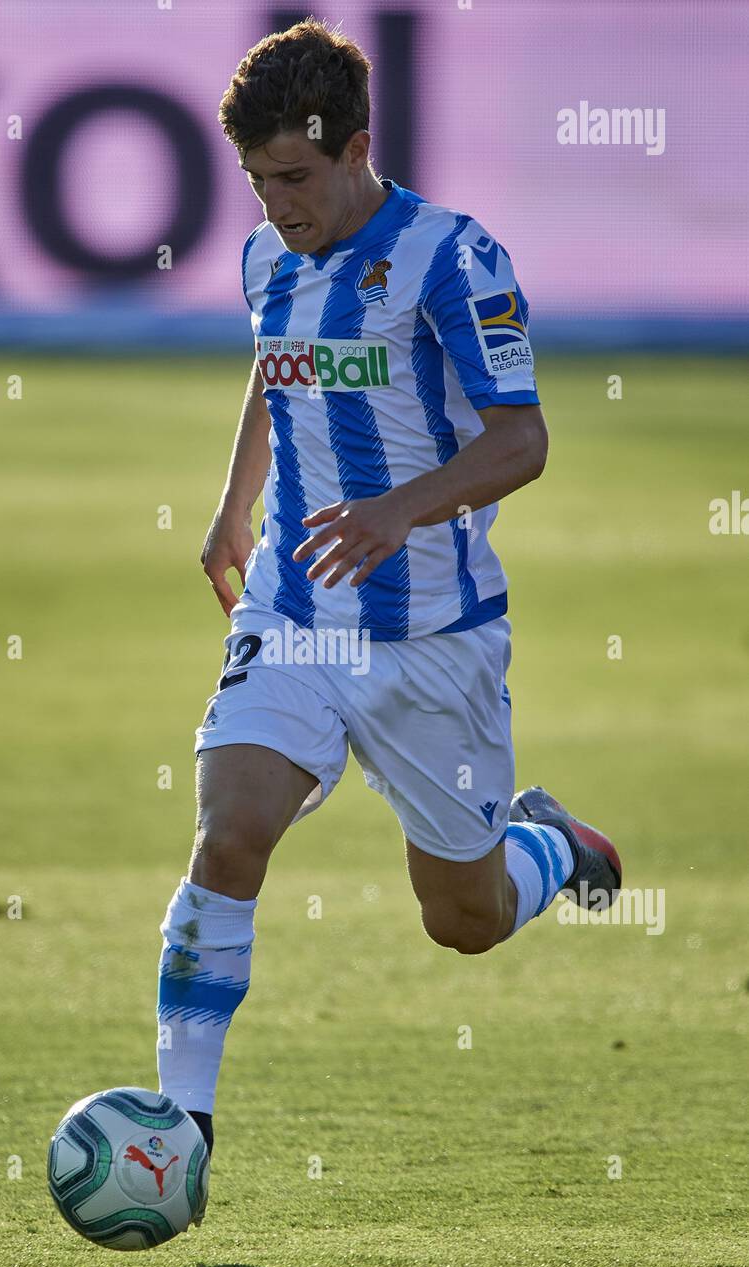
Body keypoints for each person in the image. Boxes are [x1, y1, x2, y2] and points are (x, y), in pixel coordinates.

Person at [156, 19, 621, 1170]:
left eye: (297, 178)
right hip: (295, 609)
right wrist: (231, 506)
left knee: (459, 923)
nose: (275, 206)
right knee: (228, 836)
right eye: (258, 182)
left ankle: (552, 846)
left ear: (358, 145)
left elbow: (522, 441)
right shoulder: (269, 252)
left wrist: (398, 509)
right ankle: (183, 1129)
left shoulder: (452, 258)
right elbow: (277, 371)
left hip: (432, 638)